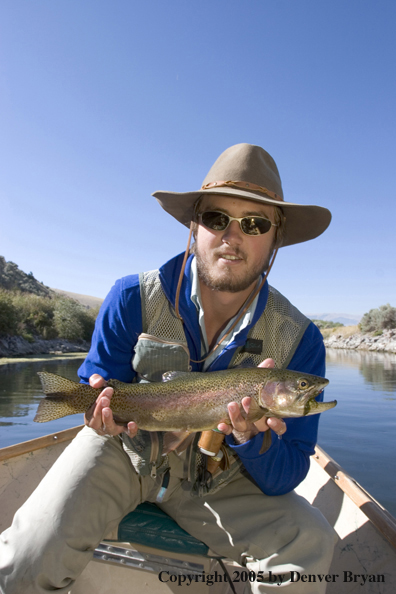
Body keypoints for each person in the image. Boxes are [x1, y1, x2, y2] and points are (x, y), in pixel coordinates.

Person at [0, 143, 337, 593]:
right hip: (125, 450)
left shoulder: (301, 339)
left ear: (275, 239)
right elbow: (94, 387)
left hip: (225, 478)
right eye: (217, 219)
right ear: (194, 226)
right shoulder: (131, 297)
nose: (231, 236)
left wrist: (252, 440)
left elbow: (288, 476)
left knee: (310, 543)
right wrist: (92, 407)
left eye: (254, 224)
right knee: (29, 552)